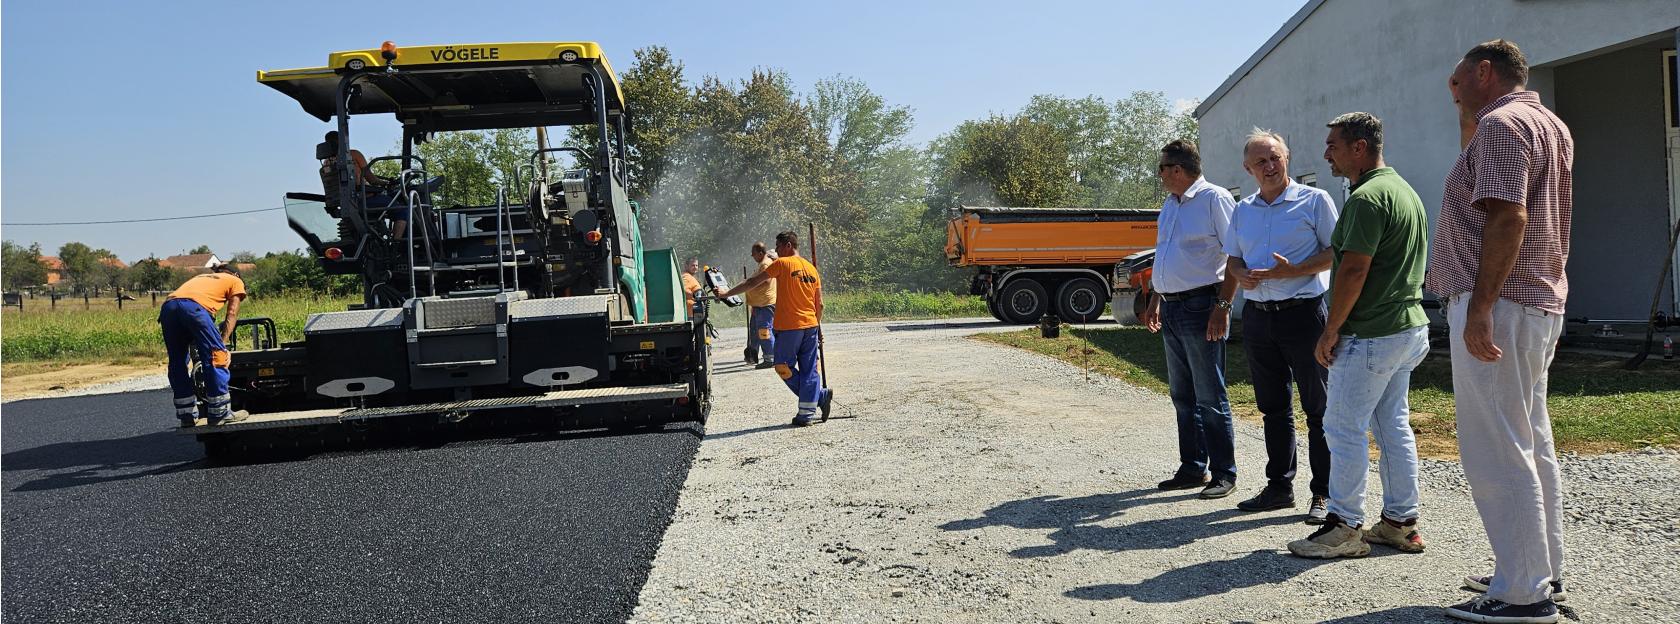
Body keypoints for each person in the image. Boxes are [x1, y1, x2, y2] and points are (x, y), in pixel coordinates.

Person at [1435, 40, 1574, 624]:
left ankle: (1522, 592)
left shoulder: (1500, 124)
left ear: (1484, 73)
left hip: (1503, 303)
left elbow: (1506, 213)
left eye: (1458, 79)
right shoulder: (1549, 123)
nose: (1454, 88)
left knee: (1497, 446)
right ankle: (1539, 568)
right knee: (1530, 438)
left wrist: (1480, 306)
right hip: (1537, 301)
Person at [1287, 112, 1430, 560]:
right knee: (1391, 426)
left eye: (1333, 144)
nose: (1326, 153)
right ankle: (1400, 524)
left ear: (1359, 147)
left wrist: (1331, 330)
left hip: (1372, 333)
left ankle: (1344, 526)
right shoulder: (1403, 191)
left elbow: (1353, 268)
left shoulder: (1368, 199)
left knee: (1342, 427)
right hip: (1407, 328)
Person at [1224, 129, 1338, 522]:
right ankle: (1279, 487)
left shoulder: (1315, 201)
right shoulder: (1243, 209)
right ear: (1248, 168)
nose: (1269, 166)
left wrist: (1295, 272)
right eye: (1261, 162)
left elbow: (1335, 252)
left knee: (1318, 409)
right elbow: (1233, 260)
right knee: (1272, 407)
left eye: (1275, 158)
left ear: (1286, 157)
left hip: (1303, 313)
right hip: (1259, 318)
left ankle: (1324, 494)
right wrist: (1242, 275)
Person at [1138, 139, 1239, 499]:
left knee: (1210, 394)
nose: (1160, 175)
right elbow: (1163, 255)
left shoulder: (1215, 199)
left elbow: (1235, 257)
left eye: (1162, 168)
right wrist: (1155, 299)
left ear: (1177, 169)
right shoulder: (1171, 204)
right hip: (1174, 307)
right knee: (1183, 394)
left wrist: (1222, 307)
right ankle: (1193, 466)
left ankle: (1224, 472)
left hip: (1202, 306)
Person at [720, 231, 832, 426]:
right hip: (811, 326)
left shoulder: (781, 264)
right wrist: (817, 328)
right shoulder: (812, 269)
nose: (776, 251)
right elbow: (819, 304)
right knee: (809, 370)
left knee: (782, 367)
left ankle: (820, 397)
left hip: (790, 327)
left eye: (778, 247)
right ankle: (807, 412)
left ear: (788, 245)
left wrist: (727, 293)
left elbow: (752, 282)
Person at [159, 264, 249, 427]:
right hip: (193, 307)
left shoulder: (201, 277)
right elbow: (232, 313)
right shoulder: (235, 280)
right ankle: (220, 413)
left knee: (177, 361)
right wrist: (222, 344)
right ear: (236, 275)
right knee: (217, 357)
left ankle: (186, 415)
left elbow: (183, 304)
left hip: (168, 308)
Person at [743, 242, 778, 367]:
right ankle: (755, 355)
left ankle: (770, 359)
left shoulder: (765, 264)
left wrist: (750, 283)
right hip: (759, 304)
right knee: (756, 331)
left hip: (765, 304)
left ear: (760, 253)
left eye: (754, 254)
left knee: (765, 331)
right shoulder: (761, 265)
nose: (753, 257)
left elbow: (766, 281)